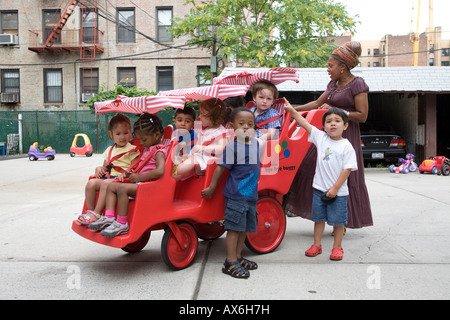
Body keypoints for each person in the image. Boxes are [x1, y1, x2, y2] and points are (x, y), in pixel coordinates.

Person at [285, 41, 373, 229]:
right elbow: (317, 104)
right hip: (327, 135)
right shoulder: (333, 84)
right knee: (307, 165)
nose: (328, 69)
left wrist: (336, 110)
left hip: (346, 135)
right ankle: (315, 208)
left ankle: (341, 223)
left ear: (343, 66)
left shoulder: (358, 84)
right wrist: (291, 109)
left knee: (343, 176)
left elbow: (363, 116)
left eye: (330, 65)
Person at [284, 102, 357, 260]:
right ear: (323, 126)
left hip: (339, 192)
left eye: (337, 121)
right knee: (318, 219)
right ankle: (317, 245)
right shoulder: (321, 138)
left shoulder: (347, 146)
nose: (332, 123)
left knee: (338, 222)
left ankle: (337, 248)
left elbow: (347, 170)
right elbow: (304, 123)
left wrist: (335, 188)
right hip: (319, 189)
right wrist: (291, 110)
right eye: (329, 121)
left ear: (345, 126)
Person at [201, 107, 260, 278]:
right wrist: (212, 188)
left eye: (250, 124)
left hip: (251, 195)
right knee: (234, 228)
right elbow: (220, 169)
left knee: (243, 229)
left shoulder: (255, 143)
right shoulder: (232, 147)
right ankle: (230, 261)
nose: (246, 127)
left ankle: (239, 257)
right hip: (236, 196)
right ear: (233, 126)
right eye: (241, 124)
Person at [88, 113, 168, 237]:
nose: (141, 143)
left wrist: (139, 177)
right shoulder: (148, 149)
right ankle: (109, 217)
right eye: (140, 139)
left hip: (150, 185)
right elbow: (138, 166)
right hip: (141, 182)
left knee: (121, 188)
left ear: (157, 135)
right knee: (111, 187)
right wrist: (128, 173)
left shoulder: (159, 151)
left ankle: (121, 223)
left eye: (144, 140)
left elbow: (160, 171)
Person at [78, 113, 139, 225]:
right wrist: (99, 168)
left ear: (130, 132)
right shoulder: (109, 150)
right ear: (111, 134)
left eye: (126, 133)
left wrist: (126, 174)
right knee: (91, 183)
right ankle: (90, 212)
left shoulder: (133, 149)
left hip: (123, 180)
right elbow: (105, 167)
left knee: (106, 183)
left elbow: (134, 168)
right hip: (110, 177)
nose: (122, 137)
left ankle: (96, 214)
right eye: (118, 134)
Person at [172, 98, 229, 180]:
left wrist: (204, 148)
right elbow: (196, 145)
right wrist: (189, 154)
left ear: (212, 116)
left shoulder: (221, 132)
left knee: (191, 161)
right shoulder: (204, 129)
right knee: (179, 171)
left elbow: (222, 148)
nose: (199, 116)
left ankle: (176, 171)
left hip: (210, 161)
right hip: (199, 158)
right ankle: (172, 184)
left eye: (202, 114)